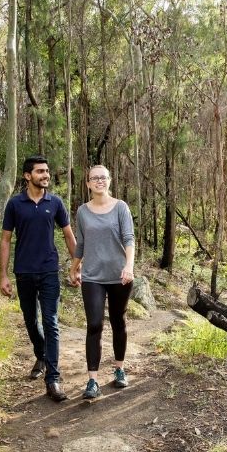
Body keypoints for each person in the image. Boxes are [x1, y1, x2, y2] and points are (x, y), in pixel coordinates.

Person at [0, 155, 77, 402]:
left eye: (47, 171)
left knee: (51, 321)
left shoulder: (55, 202)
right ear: (27, 176)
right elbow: (5, 240)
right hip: (24, 271)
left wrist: (76, 266)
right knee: (31, 320)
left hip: (48, 270)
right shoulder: (15, 204)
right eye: (40, 171)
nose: (46, 175)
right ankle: (40, 354)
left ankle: (53, 379)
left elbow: (68, 235)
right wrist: (3, 275)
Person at [69, 165, 135, 399]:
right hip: (92, 277)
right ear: (88, 183)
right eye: (94, 178)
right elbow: (82, 243)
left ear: (110, 181)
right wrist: (74, 267)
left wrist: (129, 266)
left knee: (118, 321)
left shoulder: (121, 208)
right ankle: (93, 381)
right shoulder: (82, 211)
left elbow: (129, 239)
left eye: (103, 177)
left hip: (119, 276)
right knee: (94, 324)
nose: (99, 181)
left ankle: (119, 369)